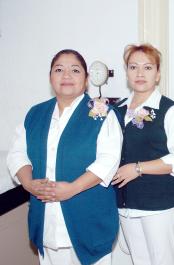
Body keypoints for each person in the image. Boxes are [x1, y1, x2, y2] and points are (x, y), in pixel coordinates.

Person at [6, 49, 122, 265]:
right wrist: (28, 183)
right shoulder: (35, 114)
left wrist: (72, 188)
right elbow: (17, 153)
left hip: (88, 220)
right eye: (59, 69)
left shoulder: (103, 113)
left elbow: (109, 160)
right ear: (51, 78)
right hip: (46, 221)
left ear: (86, 80)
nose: (66, 75)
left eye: (75, 70)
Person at [112, 43, 174, 265]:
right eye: (133, 67)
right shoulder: (116, 109)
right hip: (125, 203)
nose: (139, 73)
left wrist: (138, 168)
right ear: (126, 72)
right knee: (139, 260)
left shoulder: (169, 109)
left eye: (147, 67)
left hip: (158, 204)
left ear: (157, 74)